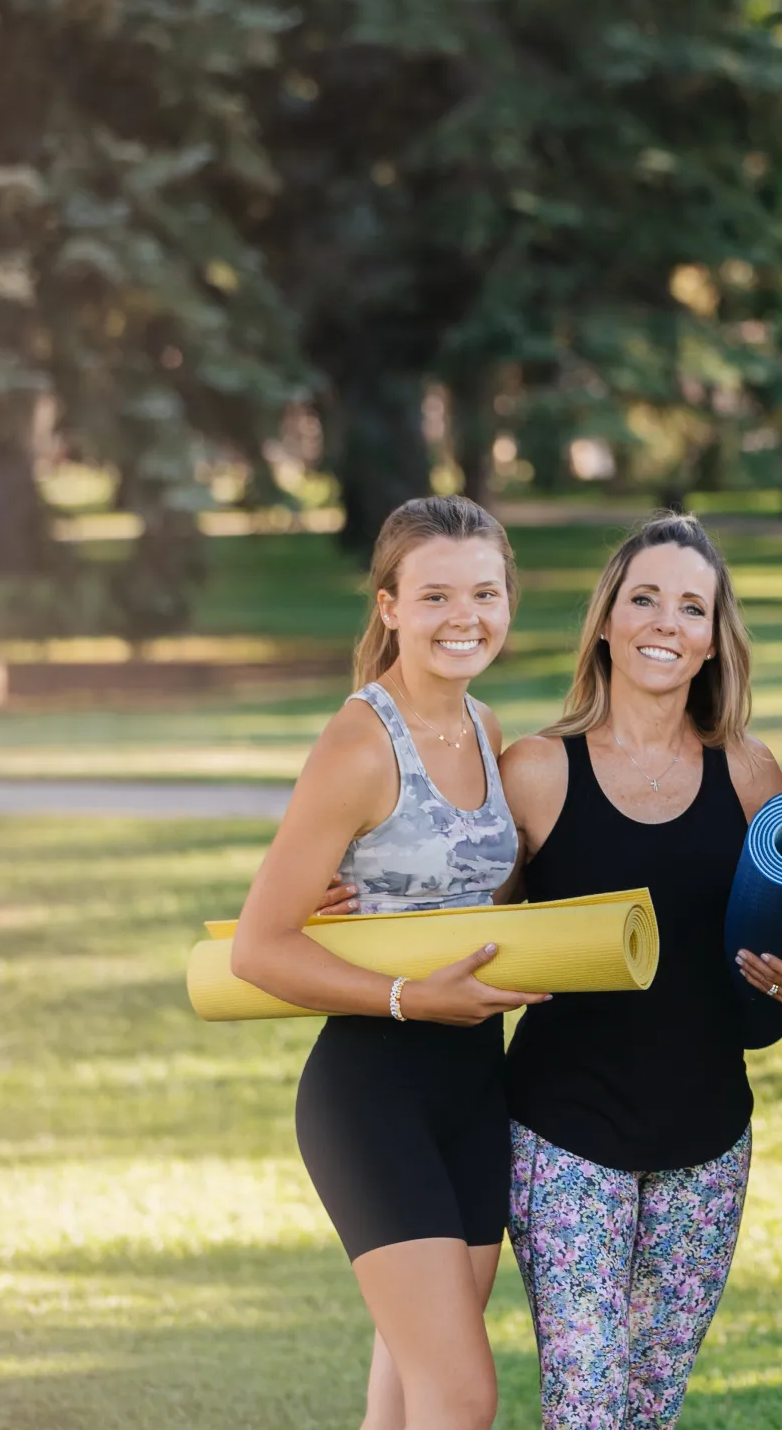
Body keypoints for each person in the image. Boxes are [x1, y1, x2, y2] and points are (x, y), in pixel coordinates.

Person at [497, 515, 782, 1429]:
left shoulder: (751, 773)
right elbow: (458, 920)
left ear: (712, 641)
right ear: (607, 618)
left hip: (708, 1137)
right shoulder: (534, 770)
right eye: (644, 597)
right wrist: (351, 896)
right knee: (586, 1403)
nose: (665, 622)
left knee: (650, 1407)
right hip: (563, 1131)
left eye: (693, 607)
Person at [230, 496, 541, 1430]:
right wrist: (408, 996)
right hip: (373, 1094)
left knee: (408, 1397)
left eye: (485, 593)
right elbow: (259, 947)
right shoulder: (361, 741)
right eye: (436, 594)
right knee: (461, 1395)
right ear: (390, 606)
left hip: (475, 1088)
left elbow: (489, 901)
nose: (465, 617)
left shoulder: (486, 730)